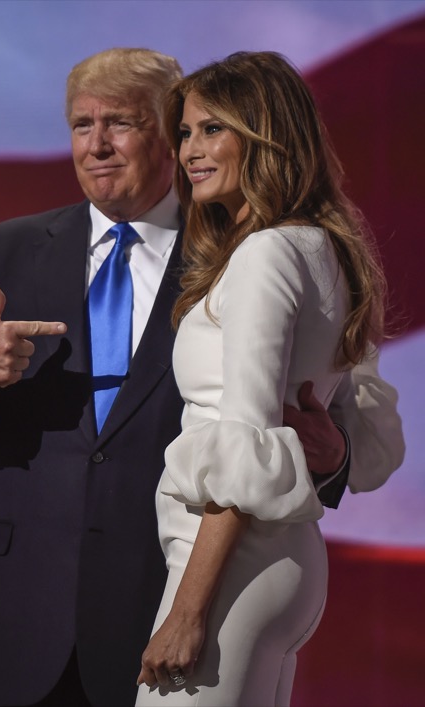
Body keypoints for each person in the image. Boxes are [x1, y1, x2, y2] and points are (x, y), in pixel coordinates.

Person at [0, 48, 402, 706]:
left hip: (172, 592)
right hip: (22, 614)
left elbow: (330, 397)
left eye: (123, 123)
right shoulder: (7, 251)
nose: (99, 144)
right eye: (82, 125)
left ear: (166, 135)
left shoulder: (240, 243)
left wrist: (333, 453)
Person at [135, 51, 404, 705]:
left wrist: (187, 611)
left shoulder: (267, 252)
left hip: (234, 566)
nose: (190, 151)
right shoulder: (326, 249)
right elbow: (366, 445)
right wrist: (333, 448)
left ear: (264, 135)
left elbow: (247, 443)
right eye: (187, 133)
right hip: (277, 561)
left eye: (212, 130)